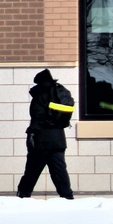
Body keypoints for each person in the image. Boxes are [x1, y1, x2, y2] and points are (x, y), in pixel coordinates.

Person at [17, 69, 74, 199]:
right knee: (59, 171)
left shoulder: (41, 94)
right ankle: (67, 197)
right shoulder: (59, 92)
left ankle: (22, 196)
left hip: (42, 139)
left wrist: (31, 133)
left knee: (32, 170)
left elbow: (37, 116)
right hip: (58, 139)